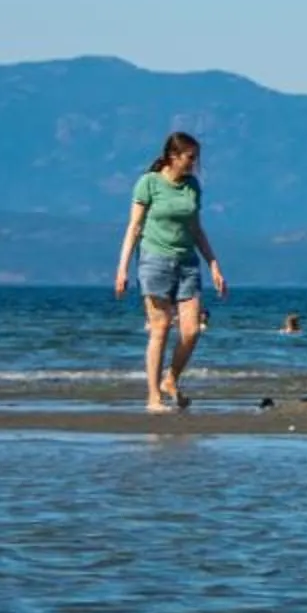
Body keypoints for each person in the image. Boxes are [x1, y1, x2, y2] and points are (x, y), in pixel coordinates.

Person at [113, 132, 226, 412]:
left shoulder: (192, 187)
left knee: (191, 331)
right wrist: (122, 269)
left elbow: (196, 229)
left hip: (187, 263)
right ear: (173, 157)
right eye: (190, 158)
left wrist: (214, 265)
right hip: (154, 262)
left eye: (196, 158)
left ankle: (170, 379)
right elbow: (134, 228)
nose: (194, 164)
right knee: (160, 329)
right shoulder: (148, 183)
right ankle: (153, 397)